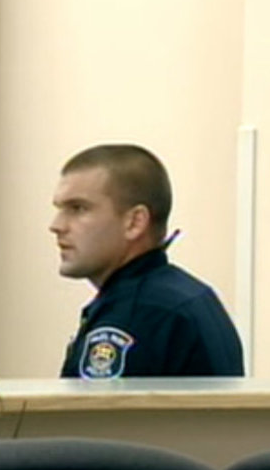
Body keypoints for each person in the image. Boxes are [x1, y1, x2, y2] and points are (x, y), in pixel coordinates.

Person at [49, 143, 244, 379]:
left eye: (78, 208)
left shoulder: (140, 314)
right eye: (60, 209)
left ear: (135, 222)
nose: (56, 226)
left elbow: (97, 405)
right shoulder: (188, 295)